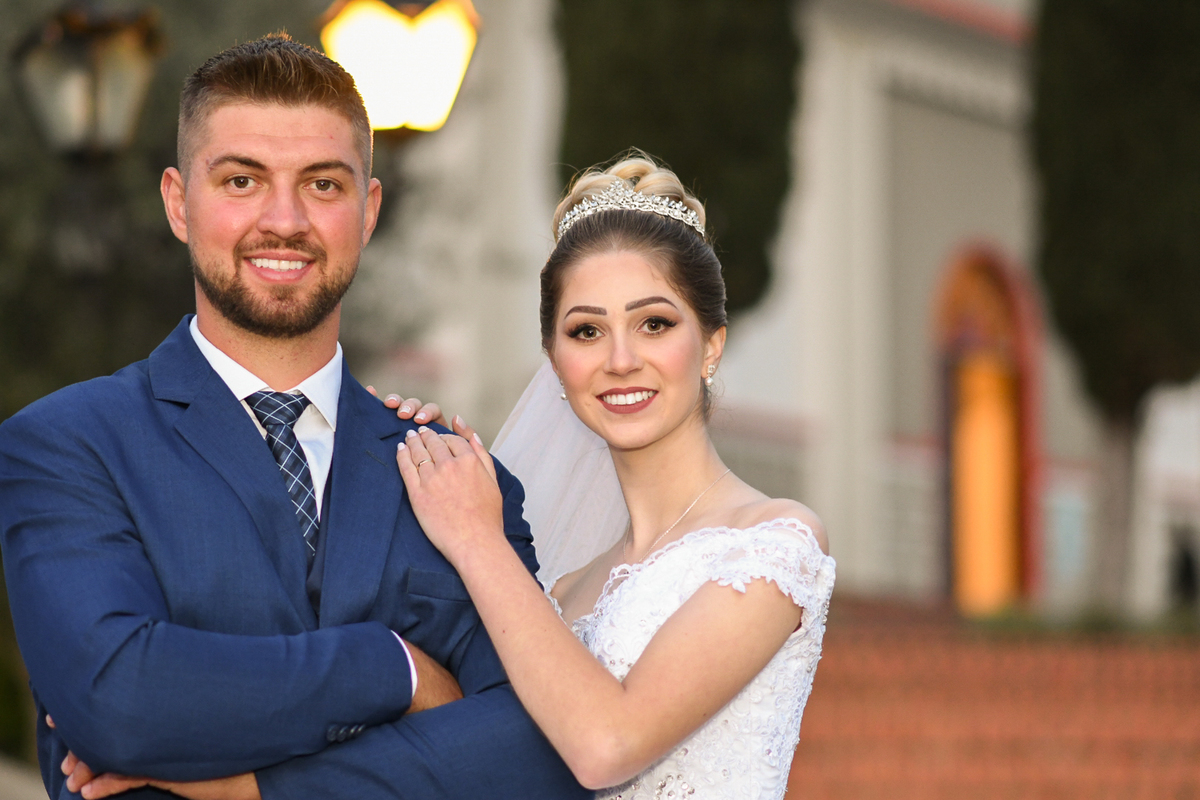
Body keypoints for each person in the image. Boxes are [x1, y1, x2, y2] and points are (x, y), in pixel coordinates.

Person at [0, 34, 587, 800]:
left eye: (323, 184)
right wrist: (397, 668)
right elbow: (118, 702)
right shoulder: (67, 447)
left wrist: (250, 784)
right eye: (242, 180)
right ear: (178, 202)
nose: (284, 219)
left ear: (368, 211)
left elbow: (543, 751)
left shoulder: (460, 478)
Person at [393, 155, 837, 799]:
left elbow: (607, 747)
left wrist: (476, 536)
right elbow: (480, 753)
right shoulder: (561, 588)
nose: (621, 359)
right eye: (586, 331)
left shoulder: (773, 547)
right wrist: (403, 452)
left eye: (654, 323)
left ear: (711, 345)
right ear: (555, 362)